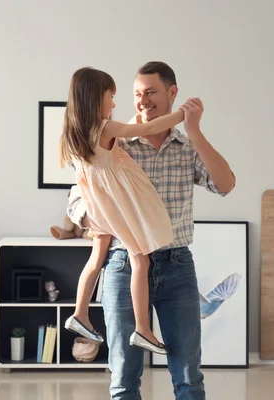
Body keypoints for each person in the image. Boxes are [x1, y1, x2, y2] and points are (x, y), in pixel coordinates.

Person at [67, 61, 236, 400]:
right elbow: (76, 202)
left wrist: (196, 131)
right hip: (121, 263)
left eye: (151, 93)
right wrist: (99, 220)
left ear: (173, 93)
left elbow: (225, 184)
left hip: (177, 266)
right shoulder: (115, 140)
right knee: (124, 376)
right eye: (136, 94)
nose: (142, 101)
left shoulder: (188, 147)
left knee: (188, 374)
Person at [60, 66, 195, 355]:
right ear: (96, 98)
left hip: (98, 204)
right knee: (140, 259)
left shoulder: (73, 132)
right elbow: (146, 129)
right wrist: (183, 115)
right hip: (113, 205)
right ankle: (143, 330)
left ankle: (80, 313)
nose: (114, 103)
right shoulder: (106, 128)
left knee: (96, 259)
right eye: (111, 96)